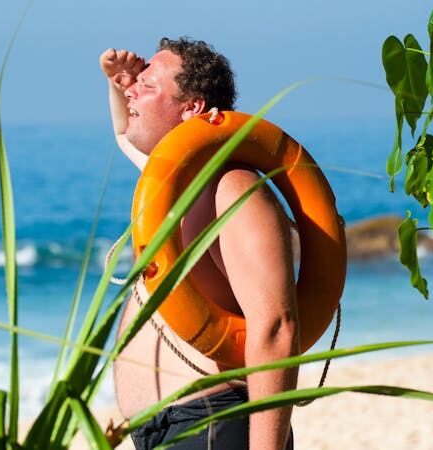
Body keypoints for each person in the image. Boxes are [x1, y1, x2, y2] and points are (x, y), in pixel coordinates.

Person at [101, 37, 298, 450]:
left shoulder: (231, 189)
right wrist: (118, 84)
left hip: (214, 422)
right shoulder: (173, 185)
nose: (131, 90)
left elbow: (276, 327)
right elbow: (124, 132)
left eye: (147, 85)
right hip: (169, 430)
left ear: (192, 108)